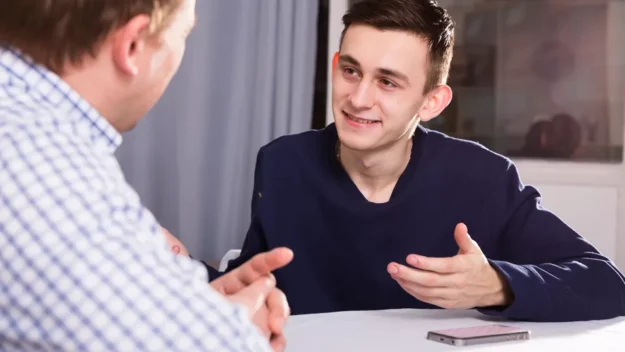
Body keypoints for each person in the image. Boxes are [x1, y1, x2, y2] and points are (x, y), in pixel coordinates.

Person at [213, 0, 625, 322]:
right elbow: (252, 281)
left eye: (388, 82)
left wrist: (497, 286)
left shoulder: (482, 177)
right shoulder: (282, 163)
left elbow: (608, 284)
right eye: (352, 71)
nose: (358, 99)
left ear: (432, 102)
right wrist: (180, 266)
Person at [0, 1, 292, 351]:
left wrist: (177, 306)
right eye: (183, 34)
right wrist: (212, 328)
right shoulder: (44, 171)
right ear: (134, 45)